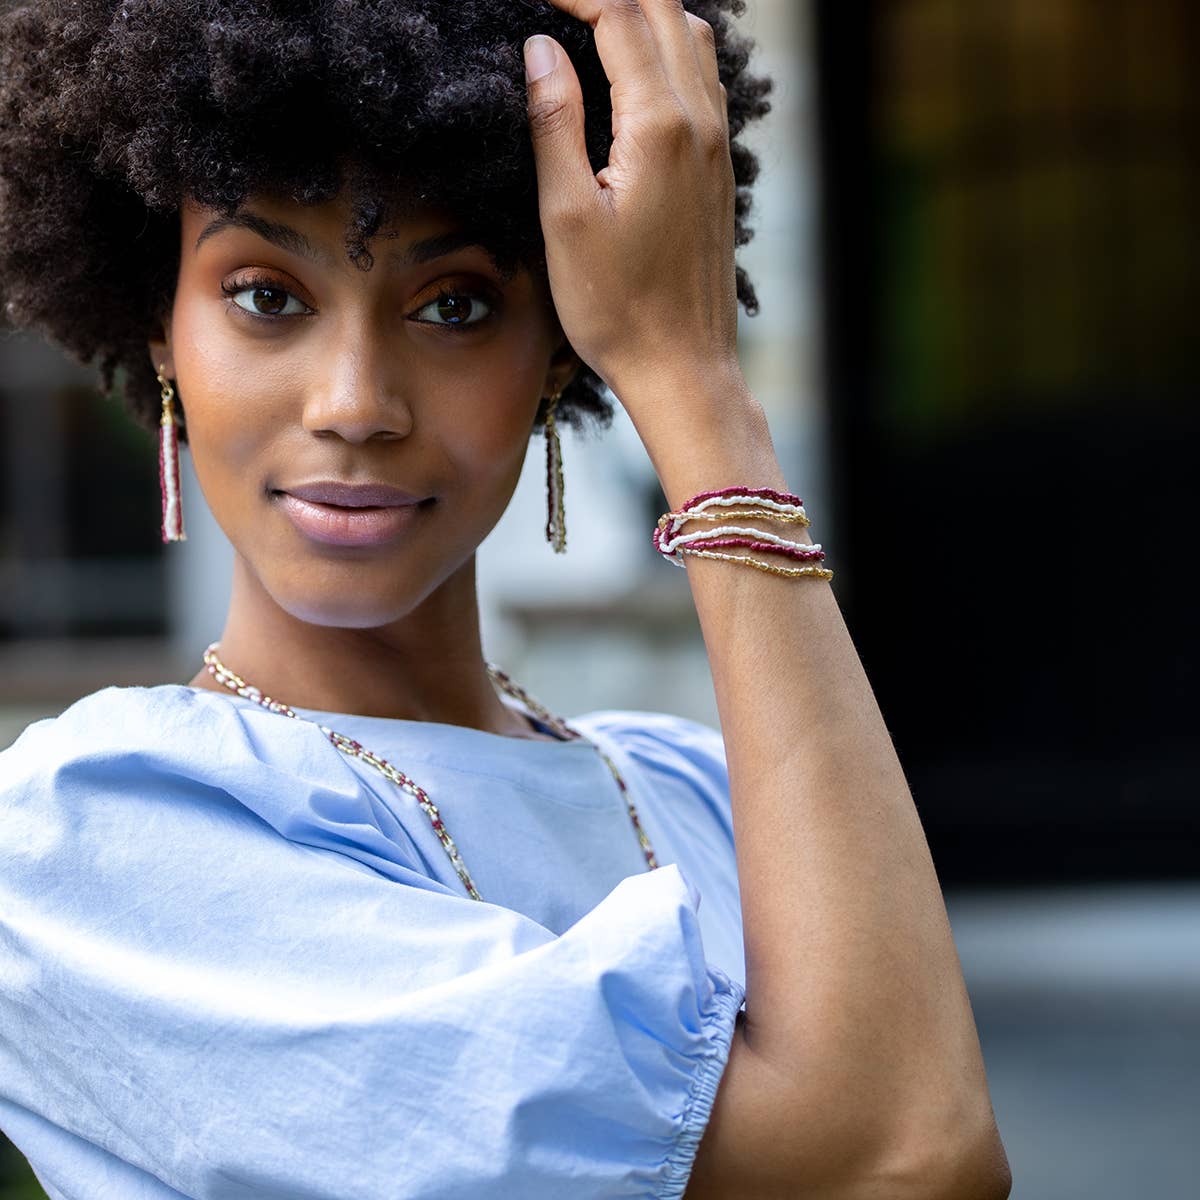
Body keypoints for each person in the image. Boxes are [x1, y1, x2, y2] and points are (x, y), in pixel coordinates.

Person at [0, 1, 1012, 1197]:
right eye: (267, 293)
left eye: (455, 305)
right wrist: (699, 388)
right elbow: (904, 1157)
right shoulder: (96, 835)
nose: (355, 401)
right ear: (160, 328)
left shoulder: (703, 787)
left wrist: (681, 362)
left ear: (566, 347)